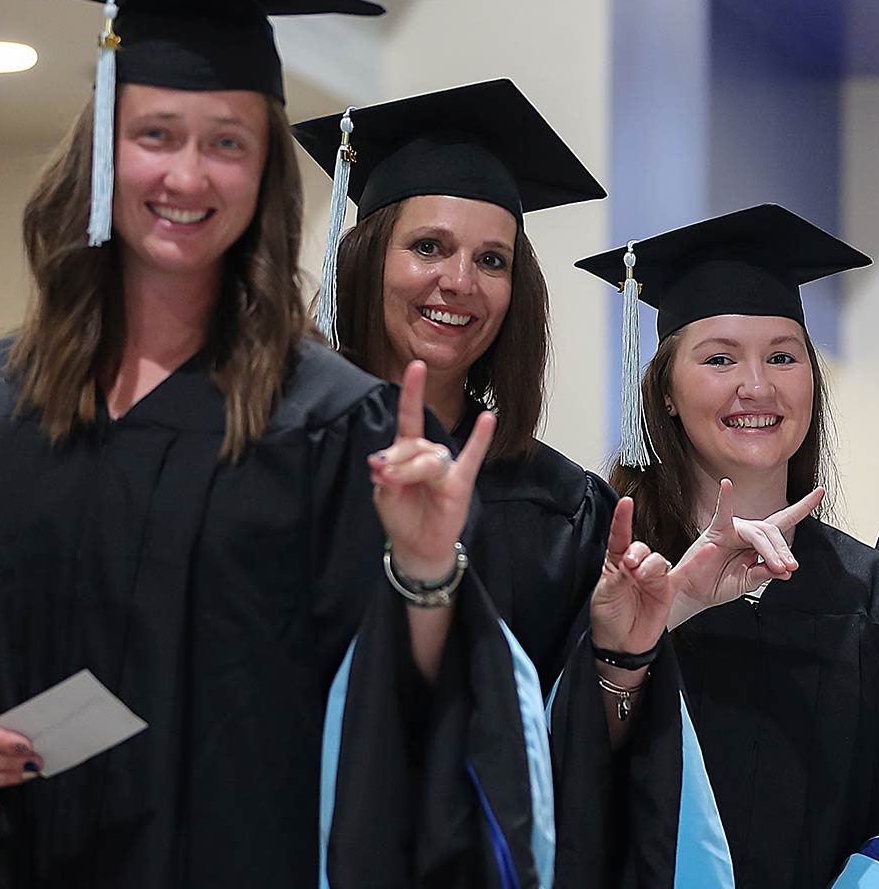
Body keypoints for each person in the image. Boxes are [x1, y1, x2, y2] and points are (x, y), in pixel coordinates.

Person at [0, 0, 546, 887]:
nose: (187, 175)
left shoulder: (337, 428)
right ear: (103, 149)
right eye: (156, 136)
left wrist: (425, 575)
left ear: (262, 171)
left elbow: (401, 727)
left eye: (227, 142)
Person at [298, 80, 795, 883]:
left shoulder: (562, 509)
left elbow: (586, 770)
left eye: (491, 260)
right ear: (364, 256)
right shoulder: (286, 460)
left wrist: (622, 655)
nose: (458, 281)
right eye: (428, 247)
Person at [576, 203, 879, 888]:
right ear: (664, 388)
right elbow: (560, 778)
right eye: (720, 358)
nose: (756, 386)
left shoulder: (878, 598)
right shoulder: (610, 569)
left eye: (783, 356)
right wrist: (646, 636)